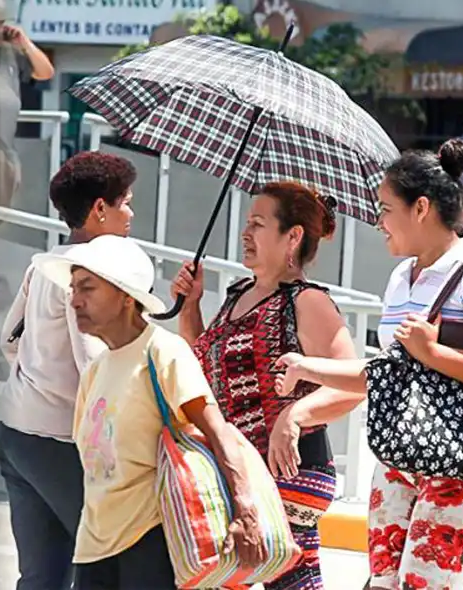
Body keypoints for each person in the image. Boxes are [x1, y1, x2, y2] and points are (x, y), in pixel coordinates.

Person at [276, 139, 463, 590]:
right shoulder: (399, 279)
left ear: (421, 208)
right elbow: (389, 373)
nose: (378, 223)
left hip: (462, 467)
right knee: (382, 583)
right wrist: (306, 367)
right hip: (398, 457)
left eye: (384, 209)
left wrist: (435, 354)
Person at [30, 235, 265, 589]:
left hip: (150, 542)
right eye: (73, 289)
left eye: (88, 288)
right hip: (93, 547)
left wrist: (245, 509)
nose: (75, 300)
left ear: (127, 297)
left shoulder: (164, 352)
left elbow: (218, 432)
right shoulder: (96, 369)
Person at [170, 181, 359, 590]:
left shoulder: (307, 301)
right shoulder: (240, 293)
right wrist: (190, 307)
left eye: (258, 224)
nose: (245, 233)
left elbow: (354, 382)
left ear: (292, 236)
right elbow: (202, 367)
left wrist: (294, 415)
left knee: (275, 578)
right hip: (239, 466)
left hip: (288, 469)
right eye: (246, 223)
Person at [0, 152, 135, 589]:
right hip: (58, 442)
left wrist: (40, 379)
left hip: (15, 430)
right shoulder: (91, 272)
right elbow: (95, 363)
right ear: (100, 209)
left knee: (41, 575)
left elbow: (9, 340)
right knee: (104, 564)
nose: (130, 213)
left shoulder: (46, 263)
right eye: (126, 202)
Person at [0, 0, 54, 208]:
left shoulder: (9, 52)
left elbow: (45, 72)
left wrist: (24, 43)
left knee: (1, 213)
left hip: (6, 148)